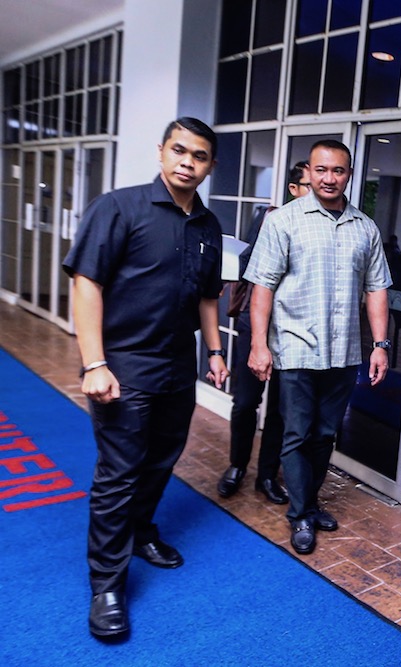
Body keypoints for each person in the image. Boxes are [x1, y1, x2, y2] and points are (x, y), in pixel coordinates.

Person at [63, 117, 229, 639]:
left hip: (177, 366)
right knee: (120, 472)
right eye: (179, 150)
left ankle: (140, 531)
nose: (187, 162)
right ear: (161, 152)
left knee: (160, 460)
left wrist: (215, 352)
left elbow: (208, 296)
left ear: (210, 165)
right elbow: (86, 283)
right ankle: (107, 585)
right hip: (123, 366)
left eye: (199, 156)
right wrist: (94, 362)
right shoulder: (118, 207)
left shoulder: (209, 226)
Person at [244, 139, 392, 556]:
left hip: (344, 350)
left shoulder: (365, 228)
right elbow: (262, 287)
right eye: (321, 170)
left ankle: (308, 502)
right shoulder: (284, 221)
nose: (329, 178)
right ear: (308, 172)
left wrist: (380, 345)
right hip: (295, 347)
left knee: (326, 434)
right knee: (296, 433)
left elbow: (376, 289)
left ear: (350, 175)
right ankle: (301, 515)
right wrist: (258, 344)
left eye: (338, 170)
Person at [216, 162, 312, 504]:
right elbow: (247, 264)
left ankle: (267, 475)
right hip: (254, 323)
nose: (316, 190)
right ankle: (237, 466)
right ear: (293, 189)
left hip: (293, 331)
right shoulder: (271, 219)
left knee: (281, 410)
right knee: (245, 402)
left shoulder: (323, 229)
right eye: (308, 184)